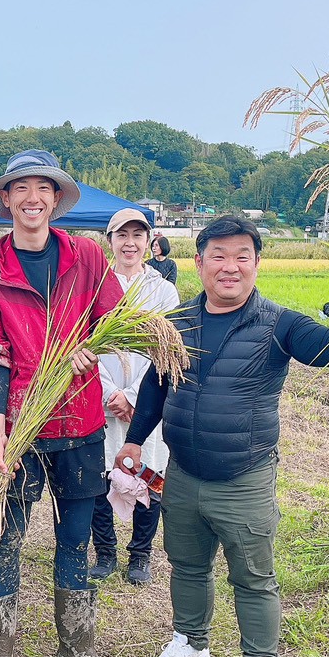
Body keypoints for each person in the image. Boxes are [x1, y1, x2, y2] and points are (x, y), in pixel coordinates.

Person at [117, 214, 329, 657]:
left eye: (241, 257)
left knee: (253, 578)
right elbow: (155, 385)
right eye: (218, 257)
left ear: (256, 264)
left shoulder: (280, 323)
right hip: (183, 469)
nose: (230, 268)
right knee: (186, 562)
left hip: (244, 474)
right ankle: (190, 642)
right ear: (199, 262)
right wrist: (136, 440)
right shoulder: (178, 321)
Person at [0, 150, 126, 657]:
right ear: (5, 200)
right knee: (6, 536)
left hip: (81, 417)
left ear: (57, 199)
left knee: (74, 535)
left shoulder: (87, 257)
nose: (32, 197)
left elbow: (113, 323)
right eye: (20, 188)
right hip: (20, 426)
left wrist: (93, 347)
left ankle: (77, 646)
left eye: (43, 188)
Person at [90, 208, 180, 586]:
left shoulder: (163, 291)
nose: (130, 243)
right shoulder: (94, 286)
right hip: (100, 396)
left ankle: (140, 555)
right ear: (109, 241)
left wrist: (134, 397)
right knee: (101, 475)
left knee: (150, 474)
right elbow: (83, 343)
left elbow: (166, 352)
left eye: (137, 235)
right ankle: (105, 552)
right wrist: (111, 391)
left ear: (149, 241)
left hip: (147, 402)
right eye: (121, 235)